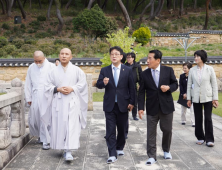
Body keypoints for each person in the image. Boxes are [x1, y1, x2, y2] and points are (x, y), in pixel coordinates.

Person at [43, 48, 88, 161]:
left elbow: (82, 84)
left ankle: (69, 150)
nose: (64, 56)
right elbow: (46, 86)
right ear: (59, 55)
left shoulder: (77, 70)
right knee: (60, 125)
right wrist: (57, 89)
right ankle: (62, 147)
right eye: (62, 54)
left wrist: (72, 88)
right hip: (58, 102)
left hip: (72, 102)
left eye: (66, 54)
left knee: (71, 125)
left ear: (71, 57)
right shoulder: (52, 71)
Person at [138, 50, 178, 165]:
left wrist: (169, 87)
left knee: (167, 130)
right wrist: (141, 107)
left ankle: (166, 150)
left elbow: (175, 84)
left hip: (166, 106)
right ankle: (151, 156)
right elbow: (141, 92)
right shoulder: (144, 74)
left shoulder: (168, 70)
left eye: (150, 58)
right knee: (151, 132)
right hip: (151, 107)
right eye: (147, 58)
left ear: (158, 60)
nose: (147, 60)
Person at [96, 46, 135, 164]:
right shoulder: (105, 70)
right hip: (110, 104)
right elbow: (98, 84)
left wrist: (132, 102)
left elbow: (132, 88)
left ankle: (119, 147)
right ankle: (112, 153)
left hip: (123, 104)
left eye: (116, 54)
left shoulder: (127, 70)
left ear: (121, 57)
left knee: (122, 129)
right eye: (112, 54)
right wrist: (103, 82)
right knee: (110, 130)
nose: (114, 56)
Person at [187, 50, 218, 147]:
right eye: (195, 56)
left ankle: (209, 139)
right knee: (198, 118)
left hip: (208, 97)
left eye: (197, 56)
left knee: (208, 118)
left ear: (202, 58)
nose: (195, 58)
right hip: (196, 97)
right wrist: (189, 98)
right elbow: (189, 85)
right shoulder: (192, 70)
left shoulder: (210, 69)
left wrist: (215, 98)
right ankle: (200, 137)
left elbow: (214, 84)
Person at [25, 51, 54, 150]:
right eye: (35, 61)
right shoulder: (31, 67)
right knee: (35, 118)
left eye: (39, 61)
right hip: (35, 95)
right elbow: (28, 83)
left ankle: (47, 141)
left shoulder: (52, 67)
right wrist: (28, 97)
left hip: (47, 95)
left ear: (44, 58)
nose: (37, 63)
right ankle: (41, 137)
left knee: (45, 118)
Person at [125, 52, 142, 121]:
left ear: (133, 58)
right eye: (127, 57)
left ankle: (134, 115)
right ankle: (125, 114)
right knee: (126, 100)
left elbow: (141, 76)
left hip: (134, 85)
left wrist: (140, 84)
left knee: (134, 101)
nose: (128, 59)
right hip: (125, 86)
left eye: (129, 57)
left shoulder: (137, 66)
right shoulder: (124, 66)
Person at [177, 62, 195, 127]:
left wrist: (188, 94)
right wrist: (183, 93)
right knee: (183, 110)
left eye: (185, 68)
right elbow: (180, 85)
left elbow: (193, 86)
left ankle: (193, 122)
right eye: (183, 68)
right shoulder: (182, 76)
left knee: (192, 109)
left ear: (190, 69)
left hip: (191, 95)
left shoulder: (193, 76)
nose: (184, 69)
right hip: (183, 95)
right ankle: (183, 121)